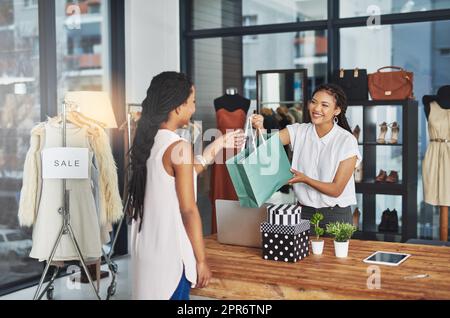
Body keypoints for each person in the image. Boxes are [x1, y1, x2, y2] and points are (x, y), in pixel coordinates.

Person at [126, 72, 244, 300]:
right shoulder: (179, 147)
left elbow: (187, 172)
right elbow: (188, 210)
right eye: (192, 103)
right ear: (177, 108)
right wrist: (201, 260)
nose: (193, 108)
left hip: (146, 252)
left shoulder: (147, 141)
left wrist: (219, 143)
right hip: (171, 256)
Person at [252, 84, 362, 227]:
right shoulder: (299, 131)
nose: (316, 109)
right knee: (301, 251)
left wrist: (305, 179)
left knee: (332, 251)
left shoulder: (346, 140)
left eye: (324, 105)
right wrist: (260, 127)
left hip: (335, 215)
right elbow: (267, 143)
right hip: (303, 213)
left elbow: (336, 190)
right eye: (314, 102)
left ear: (337, 110)